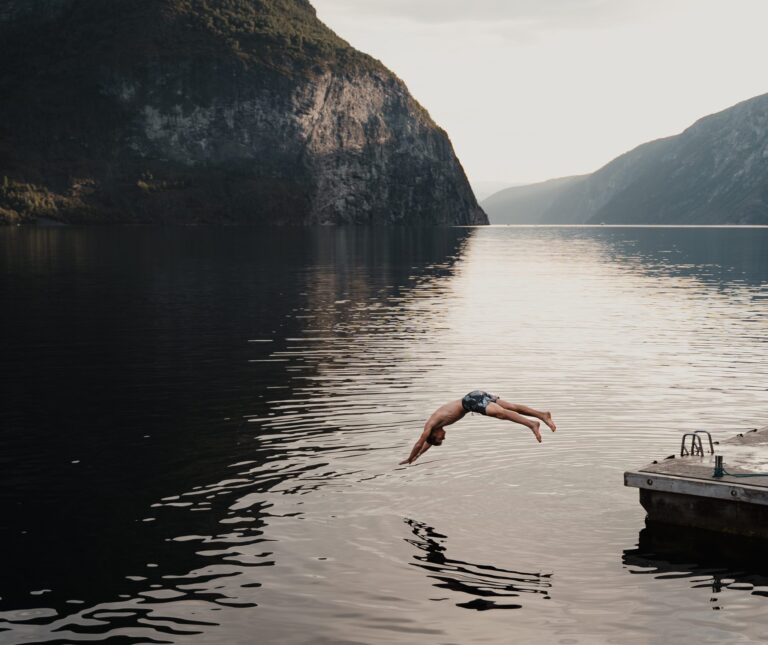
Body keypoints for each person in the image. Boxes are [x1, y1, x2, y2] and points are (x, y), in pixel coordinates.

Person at [399, 390, 556, 465]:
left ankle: (532, 424)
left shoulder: (430, 425)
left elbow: (421, 442)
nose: (444, 437)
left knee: (501, 413)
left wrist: (410, 457)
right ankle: (542, 415)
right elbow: (426, 445)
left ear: (433, 434)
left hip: (469, 402)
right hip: (474, 396)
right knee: (512, 407)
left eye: (441, 438)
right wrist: (418, 456)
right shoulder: (434, 428)